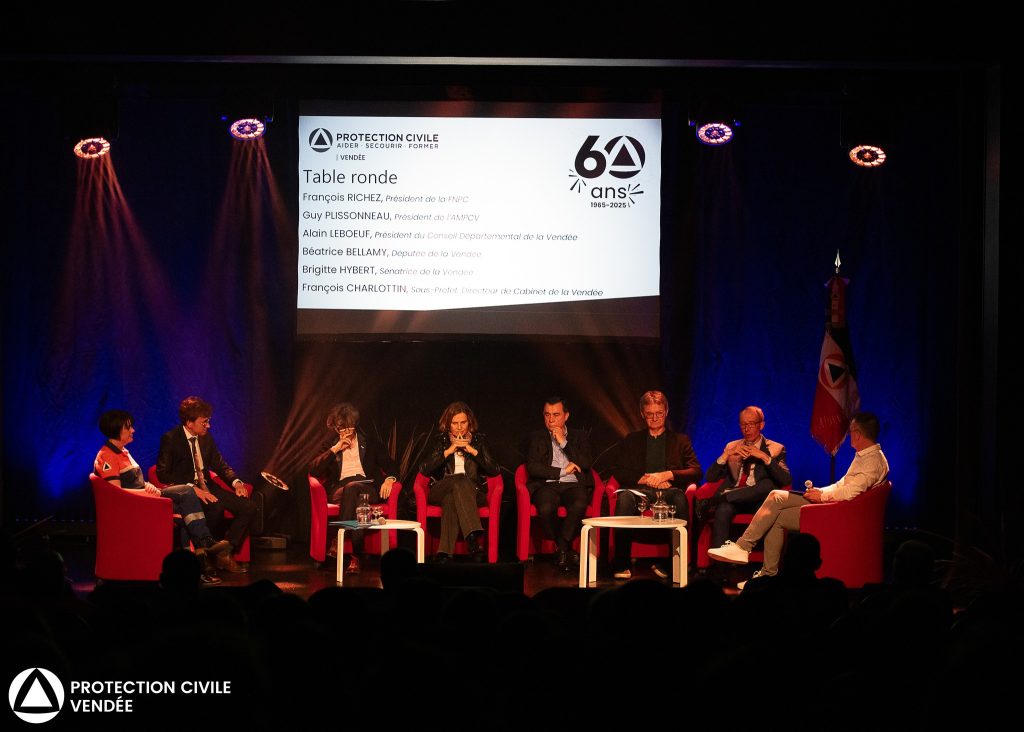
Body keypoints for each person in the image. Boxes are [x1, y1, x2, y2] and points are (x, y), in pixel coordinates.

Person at [708, 411, 889, 588]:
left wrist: (823, 497)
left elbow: (850, 493)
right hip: (835, 506)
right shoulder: (864, 456)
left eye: (850, 431)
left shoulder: (872, 461)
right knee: (775, 513)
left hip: (838, 514)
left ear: (857, 434)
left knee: (775, 495)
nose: (849, 435)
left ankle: (742, 547)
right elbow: (842, 484)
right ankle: (768, 576)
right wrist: (820, 491)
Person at [94, 409, 229, 584]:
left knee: (187, 494)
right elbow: (117, 495)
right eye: (129, 427)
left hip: (145, 498)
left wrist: (147, 486)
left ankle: (201, 551)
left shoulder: (123, 451)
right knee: (186, 514)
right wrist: (145, 493)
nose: (133, 430)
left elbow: (133, 482)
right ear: (116, 430)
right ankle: (200, 560)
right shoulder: (106, 456)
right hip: (137, 506)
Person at [156, 396, 256, 573]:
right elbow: (162, 473)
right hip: (187, 491)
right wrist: (191, 487)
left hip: (208, 486)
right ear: (189, 422)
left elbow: (220, 464)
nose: (208, 426)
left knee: (248, 506)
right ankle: (203, 556)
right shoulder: (171, 439)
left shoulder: (206, 438)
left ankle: (224, 551)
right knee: (215, 508)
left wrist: (236, 482)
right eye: (204, 422)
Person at [611, 390, 702, 579]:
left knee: (680, 497)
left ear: (666, 411)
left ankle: (674, 563)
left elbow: (696, 471)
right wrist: (645, 478)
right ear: (643, 414)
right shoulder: (632, 439)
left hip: (668, 491)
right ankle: (622, 563)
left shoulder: (680, 440)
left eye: (659, 413)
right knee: (625, 498)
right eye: (650, 414)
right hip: (640, 491)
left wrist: (666, 475)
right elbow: (619, 471)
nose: (654, 418)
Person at [309, 402, 399, 574]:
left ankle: (338, 541)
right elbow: (313, 469)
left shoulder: (371, 443)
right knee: (353, 492)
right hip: (340, 490)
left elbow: (391, 465)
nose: (345, 433)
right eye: (341, 429)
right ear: (336, 428)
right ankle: (356, 557)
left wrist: (389, 479)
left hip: (368, 487)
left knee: (358, 496)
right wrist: (335, 449)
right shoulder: (331, 445)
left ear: (355, 425)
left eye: (349, 429)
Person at [697, 406, 792, 550]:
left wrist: (763, 456)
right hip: (734, 499)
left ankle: (714, 500)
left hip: (758, 501)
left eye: (751, 424)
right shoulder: (732, 446)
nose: (747, 429)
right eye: (743, 424)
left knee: (768, 485)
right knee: (723, 510)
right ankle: (719, 566)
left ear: (761, 425)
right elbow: (711, 477)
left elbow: (786, 480)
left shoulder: (775, 448)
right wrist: (726, 455)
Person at [419, 401, 500, 562]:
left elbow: (494, 470)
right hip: (440, 489)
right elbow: (424, 469)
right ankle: (473, 539)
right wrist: (449, 451)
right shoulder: (441, 441)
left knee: (452, 497)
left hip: (473, 492)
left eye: (463, 422)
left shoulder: (479, 441)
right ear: (448, 424)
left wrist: (472, 451)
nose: (459, 427)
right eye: (455, 423)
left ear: (469, 422)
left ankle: (443, 553)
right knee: (459, 479)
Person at [525, 396, 594, 571]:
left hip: (573, 484)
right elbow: (533, 468)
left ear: (566, 416)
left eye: (556, 414)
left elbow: (585, 463)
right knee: (546, 506)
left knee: (580, 502)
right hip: (547, 484)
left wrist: (564, 442)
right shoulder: (536, 437)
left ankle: (561, 548)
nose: (551, 419)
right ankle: (565, 549)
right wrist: (562, 471)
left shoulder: (580, 436)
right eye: (547, 414)